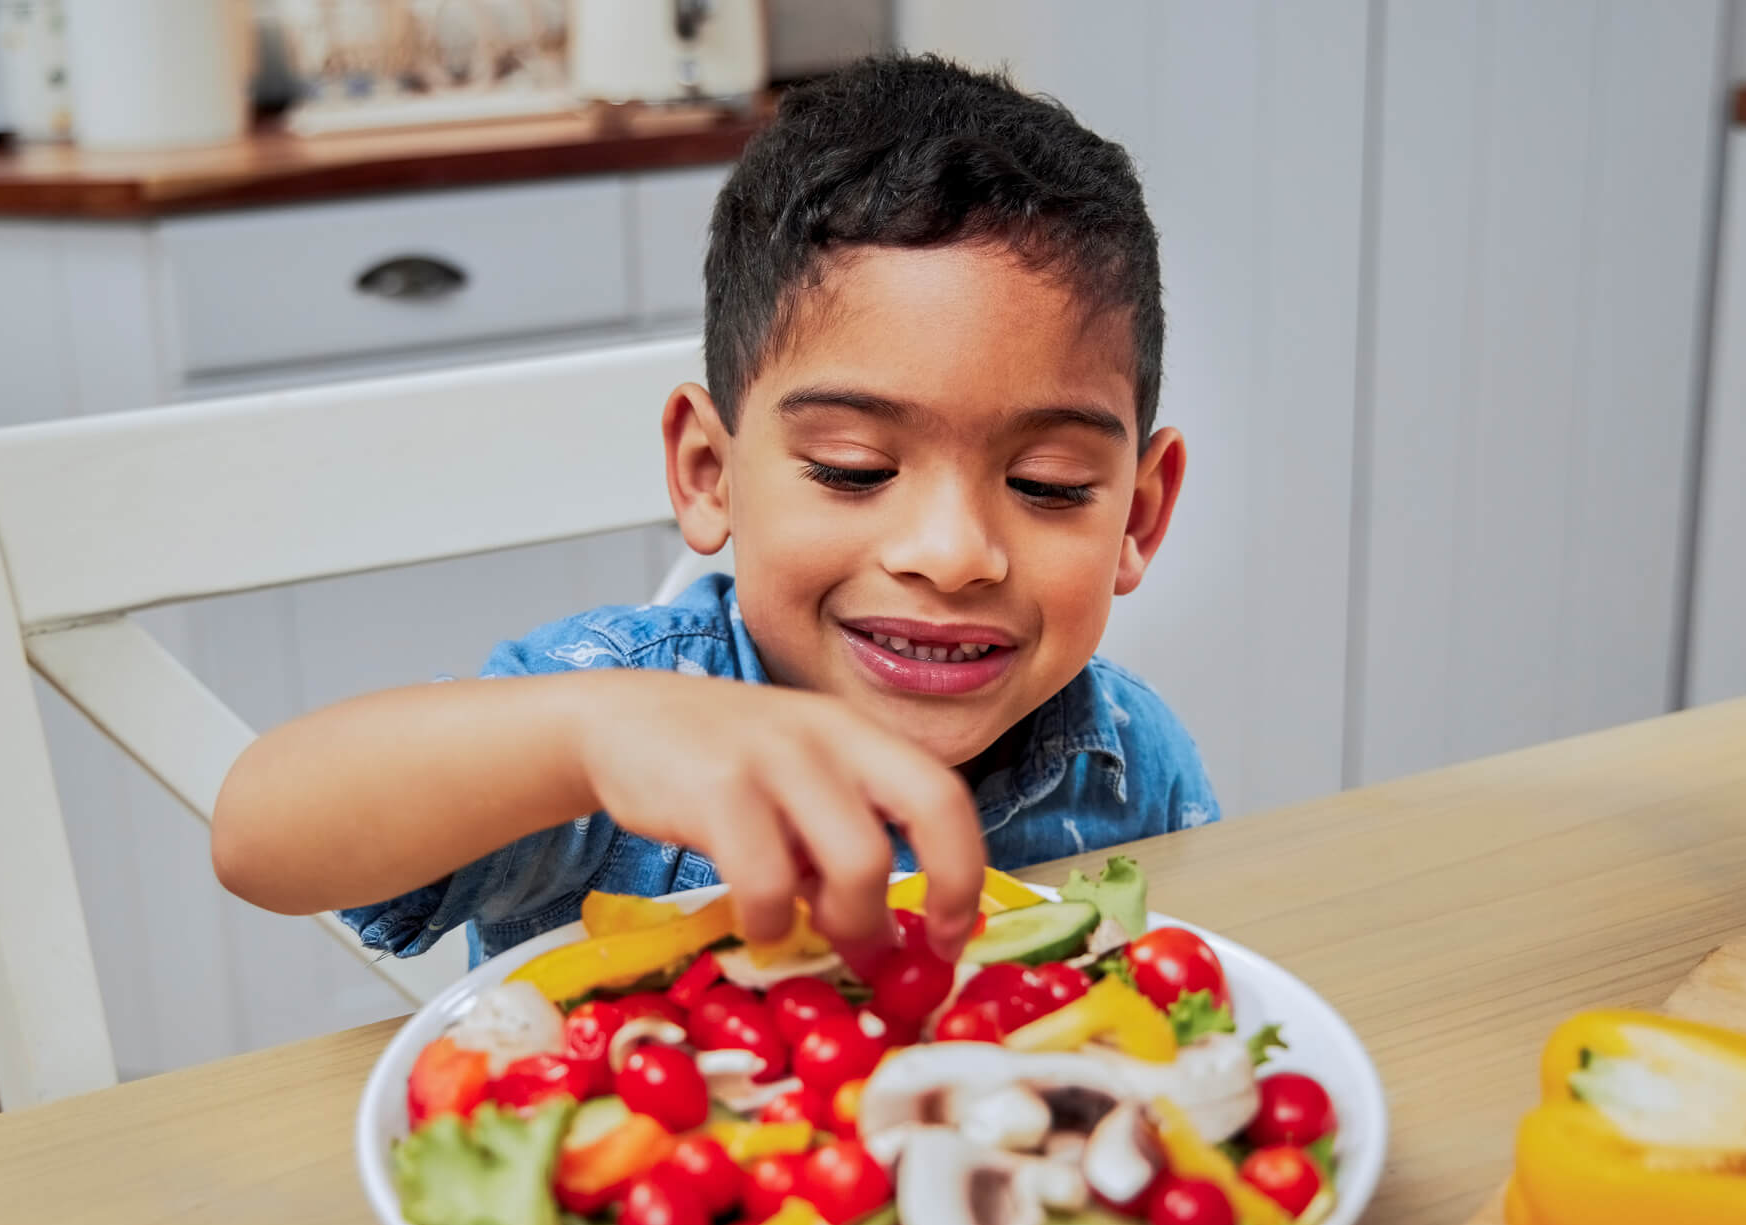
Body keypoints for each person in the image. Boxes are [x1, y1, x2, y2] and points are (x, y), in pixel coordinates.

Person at [212, 55, 1217, 974]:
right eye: (853, 467)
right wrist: (582, 742)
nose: (953, 555)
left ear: (1138, 512)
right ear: (707, 471)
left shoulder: (1132, 757)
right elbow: (259, 837)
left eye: (1048, 483)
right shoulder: (619, 730)